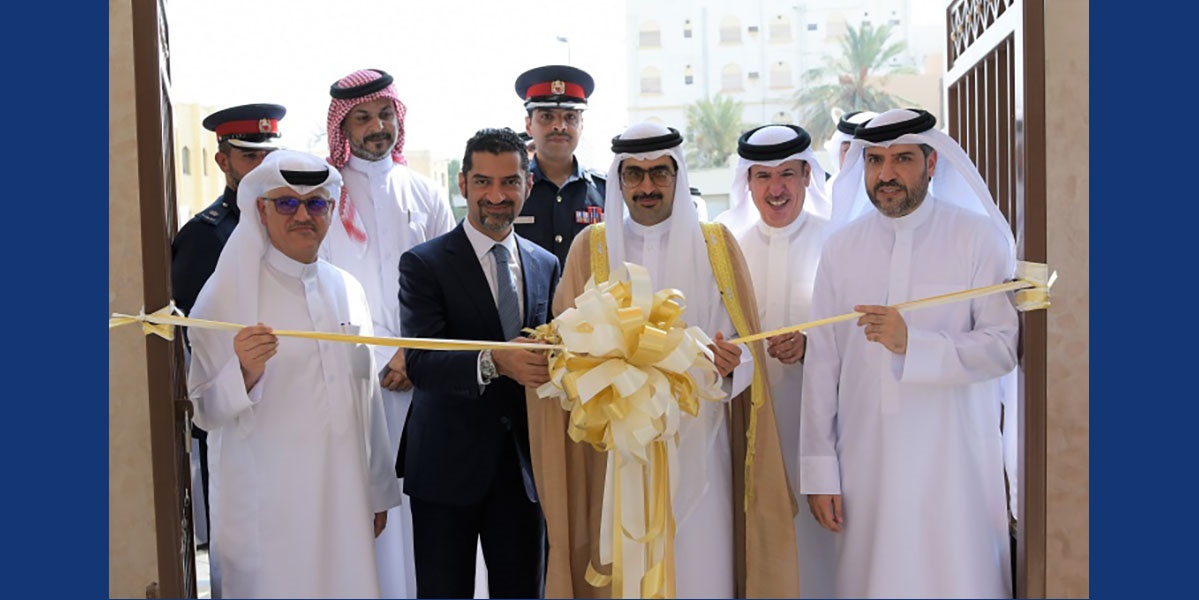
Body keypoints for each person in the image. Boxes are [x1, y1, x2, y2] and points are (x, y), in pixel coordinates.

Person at [528, 121, 798, 599]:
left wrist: (737, 364)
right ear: (620, 180)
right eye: (634, 175)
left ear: (677, 176)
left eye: (659, 174)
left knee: (702, 567)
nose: (647, 187)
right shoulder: (590, 248)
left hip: (702, 441)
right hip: (619, 450)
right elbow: (565, 351)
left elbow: (747, 350)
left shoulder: (717, 244)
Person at [800, 108, 1018, 598]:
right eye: (874, 161)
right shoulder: (841, 249)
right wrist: (819, 471)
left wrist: (913, 345)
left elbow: (1002, 349)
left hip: (953, 460)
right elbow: (822, 369)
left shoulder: (977, 238)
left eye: (901, 159)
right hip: (865, 462)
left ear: (932, 163)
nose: (886, 175)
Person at [186, 149, 402, 598]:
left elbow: (367, 402)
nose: (303, 215)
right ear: (261, 210)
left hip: (344, 498)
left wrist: (379, 490)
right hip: (268, 509)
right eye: (287, 203)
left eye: (316, 203)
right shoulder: (226, 294)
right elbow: (201, 411)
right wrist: (243, 371)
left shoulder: (347, 289)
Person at [395, 127, 560, 599]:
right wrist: (495, 361)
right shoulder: (423, 263)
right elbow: (423, 362)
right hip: (446, 469)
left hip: (523, 473)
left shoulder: (546, 263)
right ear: (463, 183)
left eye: (509, 182)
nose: (496, 195)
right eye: (483, 182)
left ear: (527, 183)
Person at [320, 67, 457, 599]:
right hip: (351, 385)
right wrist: (372, 360)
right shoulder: (322, 196)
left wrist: (410, 353)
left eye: (384, 114)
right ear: (342, 127)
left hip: (421, 381)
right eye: (362, 118)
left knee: (422, 518)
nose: (377, 127)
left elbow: (451, 286)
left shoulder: (425, 193)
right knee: (366, 515)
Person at [712, 123, 836, 598]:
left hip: (822, 425)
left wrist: (812, 346)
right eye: (762, 176)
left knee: (822, 552)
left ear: (808, 174)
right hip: (748, 425)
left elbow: (862, 333)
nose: (776, 188)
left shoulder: (838, 241)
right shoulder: (726, 246)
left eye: (787, 174)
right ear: (748, 183)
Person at [170, 102, 285, 587]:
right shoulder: (204, 236)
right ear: (223, 161)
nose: (261, 168)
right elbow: (196, 341)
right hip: (233, 411)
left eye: (268, 156)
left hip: (291, 412)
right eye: (248, 157)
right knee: (243, 555)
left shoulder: (292, 222)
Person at [512, 64, 606, 266]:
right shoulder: (511, 189)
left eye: (570, 117)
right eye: (547, 116)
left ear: (582, 125)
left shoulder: (606, 191)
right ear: (529, 125)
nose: (559, 126)